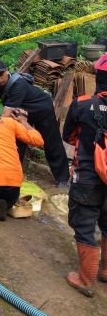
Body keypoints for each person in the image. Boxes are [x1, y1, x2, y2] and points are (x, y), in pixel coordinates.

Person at [0, 58, 70, 187]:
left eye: (1, 75)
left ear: (7, 71)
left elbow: (6, 117)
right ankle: (11, 177)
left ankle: (63, 177)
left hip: (41, 108)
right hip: (20, 111)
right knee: (17, 143)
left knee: (51, 142)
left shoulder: (18, 84)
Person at [61, 54, 107, 296]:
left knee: (84, 224)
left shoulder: (82, 104)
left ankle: (85, 279)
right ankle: (105, 272)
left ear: (98, 76)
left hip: (88, 178)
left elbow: (67, 136)